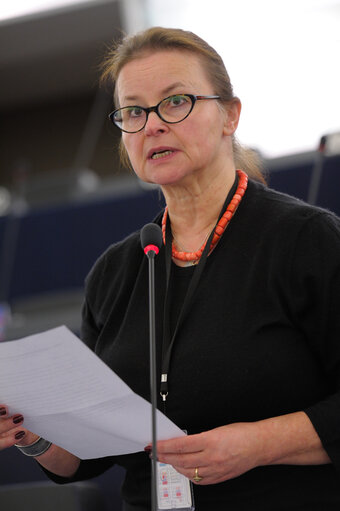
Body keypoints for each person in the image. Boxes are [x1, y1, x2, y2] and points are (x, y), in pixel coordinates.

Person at [1, 26, 340, 510]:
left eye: (175, 101)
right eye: (134, 111)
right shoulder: (116, 271)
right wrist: (31, 433)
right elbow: (89, 457)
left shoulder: (304, 240)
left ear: (230, 115)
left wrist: (257, 445)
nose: (153, 125)